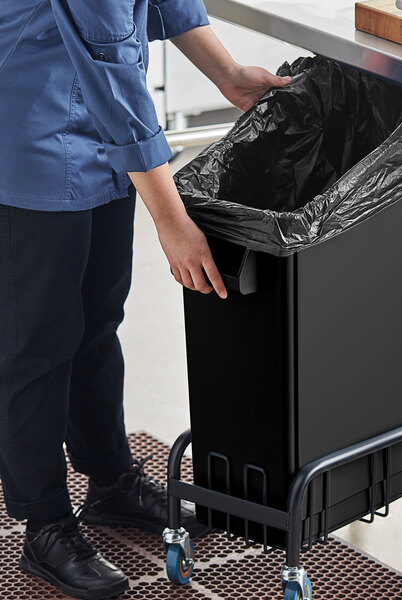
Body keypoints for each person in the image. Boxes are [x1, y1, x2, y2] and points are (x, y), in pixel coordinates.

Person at [0, 1, 290, 598]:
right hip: (29, 126)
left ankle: (109, 482)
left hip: (105, 141)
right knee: (37, 341)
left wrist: (228, 73)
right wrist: (171, 218)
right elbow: (110, 68)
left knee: (98, 321)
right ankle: (45, 523)